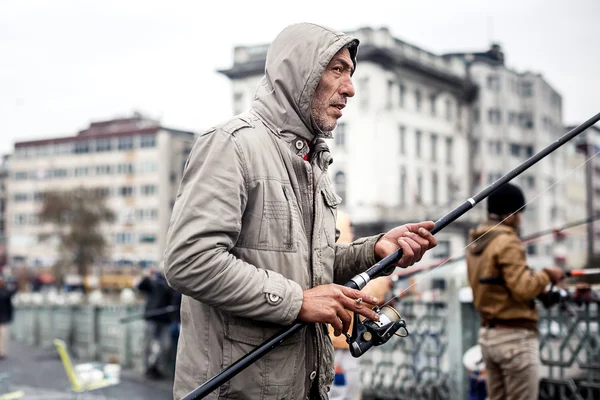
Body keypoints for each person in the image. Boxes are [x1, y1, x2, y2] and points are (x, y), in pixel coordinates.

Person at [163, 22, 437, 400]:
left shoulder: (313, 165)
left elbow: (310, 269)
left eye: (352, 73)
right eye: (337, 69)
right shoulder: (231, 145)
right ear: (300, 74)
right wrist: (298, 302)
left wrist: (375, 251)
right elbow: (189, 261)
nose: (350, 88)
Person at [466, 182, 566, 400]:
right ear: (510, 215)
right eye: (520, 213)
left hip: (488, 336)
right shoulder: (507, 241)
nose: (521, 219)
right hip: (514, 340)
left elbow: (499, 283)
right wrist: (547, 275)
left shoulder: (477, 242)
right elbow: (522, 289)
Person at [328, 210, 393, 400]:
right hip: (339, 345)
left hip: (337, 344)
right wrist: (384, 283)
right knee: (341, 394)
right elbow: (362, 296)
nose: (353, 233)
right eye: (350, 229)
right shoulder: (338, 267)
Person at [136, 268, 176, 379]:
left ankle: (158, 368)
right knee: (148, 345)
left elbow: (175, 297)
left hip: (165, 320)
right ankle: (147, 367)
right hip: (152, 318)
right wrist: (147, 276)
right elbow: (140, 287)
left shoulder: (170, 283)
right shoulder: (153, 281)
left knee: (164, 346)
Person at [0, 275, 18, 359]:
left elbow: (9, 305)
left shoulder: (5, 291)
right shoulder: (6, 291)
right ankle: (2, 352)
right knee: (3, 336)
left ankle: (2, 352)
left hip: (4, 317)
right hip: (4, 316)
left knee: (3, 335)